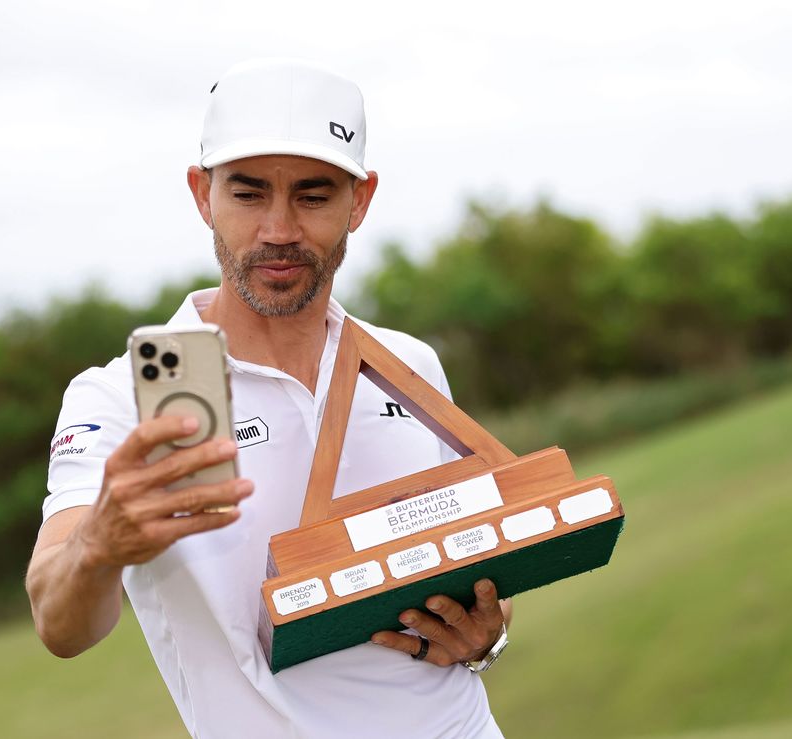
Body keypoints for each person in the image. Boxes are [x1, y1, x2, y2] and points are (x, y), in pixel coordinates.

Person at [26, 58, 510, 738]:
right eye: (249, 195)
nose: (279, 229)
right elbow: (58, 621)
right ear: (203, 195)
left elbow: (476, 570)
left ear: (360, 201)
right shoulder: (121, 397)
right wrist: (99, 545)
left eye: (312, 197)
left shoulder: (410, 362)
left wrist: (485, 630)